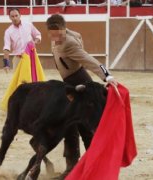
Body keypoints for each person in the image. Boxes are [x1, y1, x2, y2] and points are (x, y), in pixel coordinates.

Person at [45, 14, 118, 179]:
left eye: (59, 33)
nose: (56, 37)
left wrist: (107, 76)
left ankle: (89, 165)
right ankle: (75, 166)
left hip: (80, 83)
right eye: (52, 33)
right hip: (69, 85)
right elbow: (77, 34)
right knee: (71, 125)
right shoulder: (63, 35)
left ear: (64, 29)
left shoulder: (69, 43)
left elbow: (88, 60)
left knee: (83, 127)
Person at [0, 8, 45, 111]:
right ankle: (19, 105)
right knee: (19, 83)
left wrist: (36, 41)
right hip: (18, 59)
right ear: (9, 18)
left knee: (34, 80)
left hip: (31, 58)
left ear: (20, 15)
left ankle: (36, 103)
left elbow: (38, 34)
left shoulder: (28, 25)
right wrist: (6, 63)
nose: (15, 18)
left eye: (16, 15)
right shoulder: (8, 31)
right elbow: (6, 47)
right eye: (12, 16)